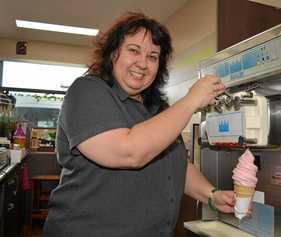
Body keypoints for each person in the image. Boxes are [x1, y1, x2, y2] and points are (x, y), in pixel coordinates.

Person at [43, 12, 234, 237]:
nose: (143, 63)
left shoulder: (158, 109)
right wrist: (191, 100)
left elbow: (177, 165)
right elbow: (129, 152)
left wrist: (211, 194)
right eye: (134, 50)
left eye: (153, 56)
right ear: (113, 52)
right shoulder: (86, 91)